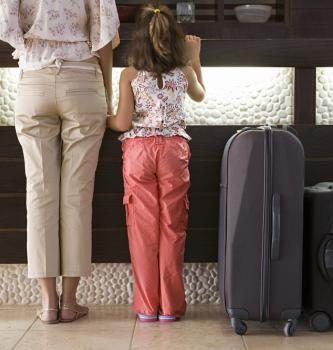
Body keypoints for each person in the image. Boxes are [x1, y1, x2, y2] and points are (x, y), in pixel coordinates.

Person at [0, 0, 120, 324]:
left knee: (39, 193)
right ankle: (69, 301)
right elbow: (105, 36)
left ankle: (48, 303)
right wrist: (107, 98)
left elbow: (6, 25)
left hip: (33, 80)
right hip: (82, 81)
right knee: (77, 196)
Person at [108, 3, 205, 322]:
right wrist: (195, 58)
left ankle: (148, 308)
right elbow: (200, 95)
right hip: (174, 150)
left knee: (142, 226)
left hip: (138, 150)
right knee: (173, 227)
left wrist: (105, 119)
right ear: (173, 35)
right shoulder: (184, 71)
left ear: (140, 37)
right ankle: (172, 308)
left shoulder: (131, 74)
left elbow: (122, 123)